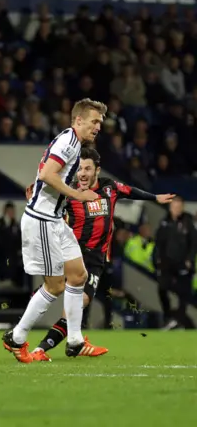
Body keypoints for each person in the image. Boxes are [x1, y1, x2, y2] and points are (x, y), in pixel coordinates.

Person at [28, 147, 175, 361]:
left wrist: (155, 198)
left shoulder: (110, 188)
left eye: (87, 168)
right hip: (72, 255)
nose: (83, 174)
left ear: (97, 169)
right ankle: (33, 341)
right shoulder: (70, 193)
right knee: (63, 298)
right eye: (79, 169)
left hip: (96, 260)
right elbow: (47, 206)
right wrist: (34, 199)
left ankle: (55, 347)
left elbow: (131, 191)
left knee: (78, 306)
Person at [2, 98, 106, 363]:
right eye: (94, 122)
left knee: (78, 275)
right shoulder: (68, 142)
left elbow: (46, 175)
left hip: (55, 219)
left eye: (100, 123)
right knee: (55, 285)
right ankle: (16, 337)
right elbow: (48, 174)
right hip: (43, 221)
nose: (98, 127)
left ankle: (74, 341)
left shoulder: (72, 142)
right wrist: (77, 195)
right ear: (78, 120)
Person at [154, 196, 197, 330]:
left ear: (182, 207)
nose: (176, 209)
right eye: (174, 206)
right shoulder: (164, 222)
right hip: (167, 263)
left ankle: (180, 320)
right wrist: (157, 259)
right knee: (162, 288)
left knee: (183, 294)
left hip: (183, 263)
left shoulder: (188, 222)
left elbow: (194, 243)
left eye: (179, 207)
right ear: (170, 207)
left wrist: (189, 259)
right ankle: (169, 316)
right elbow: (159, 243)